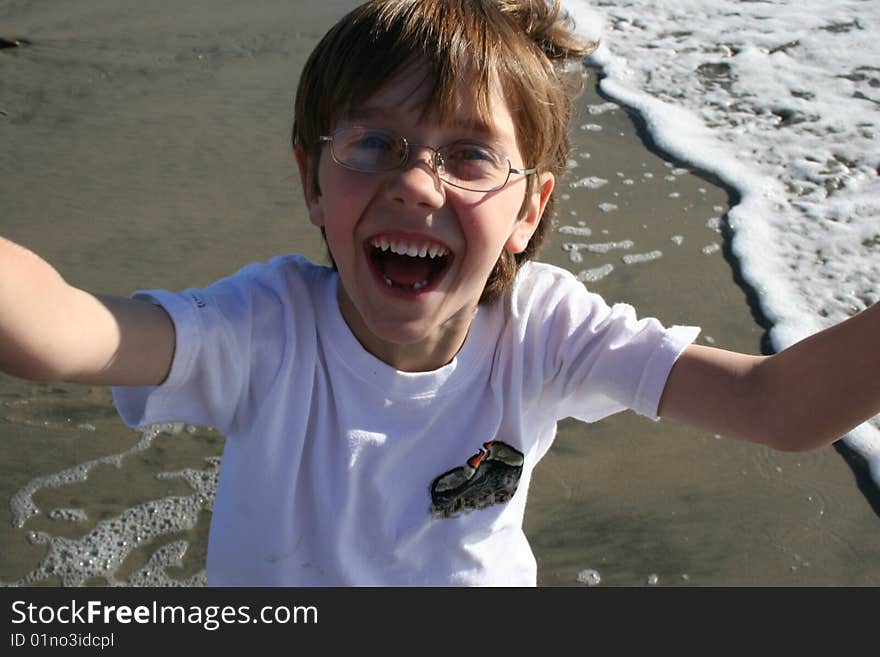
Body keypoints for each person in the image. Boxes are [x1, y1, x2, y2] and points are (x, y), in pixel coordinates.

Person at [1, 0, 878, 586]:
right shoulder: (262, 328)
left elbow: (777, 406)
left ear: (530, 207)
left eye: (468, 157)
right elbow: (64, 332)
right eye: (376, 143)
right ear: (312, 178)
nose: (419, 186)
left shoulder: (545, 328)